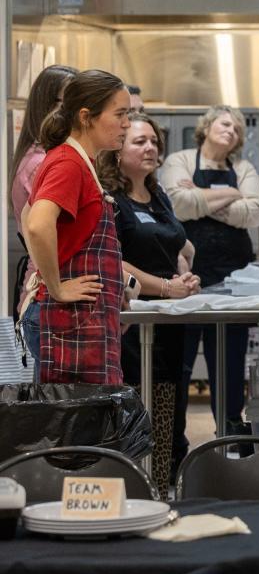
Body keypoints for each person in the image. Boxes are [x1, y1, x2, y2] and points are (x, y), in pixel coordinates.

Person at [97, 113, 201, 496]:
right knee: (137, 412)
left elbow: (174, 243)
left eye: (154, 141)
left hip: (169, 321)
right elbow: (113, 258)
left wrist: (184, 273)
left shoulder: (157, 194)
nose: (151, 148)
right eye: (139, 141)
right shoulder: (111, 199)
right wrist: (164, 287)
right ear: (117, 150)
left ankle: (163, 489)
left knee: (170, 413)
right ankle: (136, 492)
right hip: (131, 324)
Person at [162, 105, 259, 439]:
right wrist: (230, 194)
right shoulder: (179, 160)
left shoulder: (243, 166)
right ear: (206, 127)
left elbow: (257, 212)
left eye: (237, 129)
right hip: (186, 279)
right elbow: (176, 204)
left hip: (232, 281)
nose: (232, 131)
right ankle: (175, 445)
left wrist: (200, 201)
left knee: (230, 368)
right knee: (179, 364)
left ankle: (230, 443)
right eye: (225, 124)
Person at [22, 69, 131, 384]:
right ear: (87, 116)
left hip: (84, 319)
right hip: (70, 322)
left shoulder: (81, 161)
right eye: (120, 114)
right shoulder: (69, 163)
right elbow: (37, 224)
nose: (127, 123)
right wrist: (56, 287)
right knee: (75, 428)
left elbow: (33, 211)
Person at [10, 64, 78, 376]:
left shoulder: (56, 159)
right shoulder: (43, 164)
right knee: (58, 416)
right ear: (47, 107)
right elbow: (40, 231)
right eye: (69, 104)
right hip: (52, 302)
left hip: (55, 300)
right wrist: (58, 288)